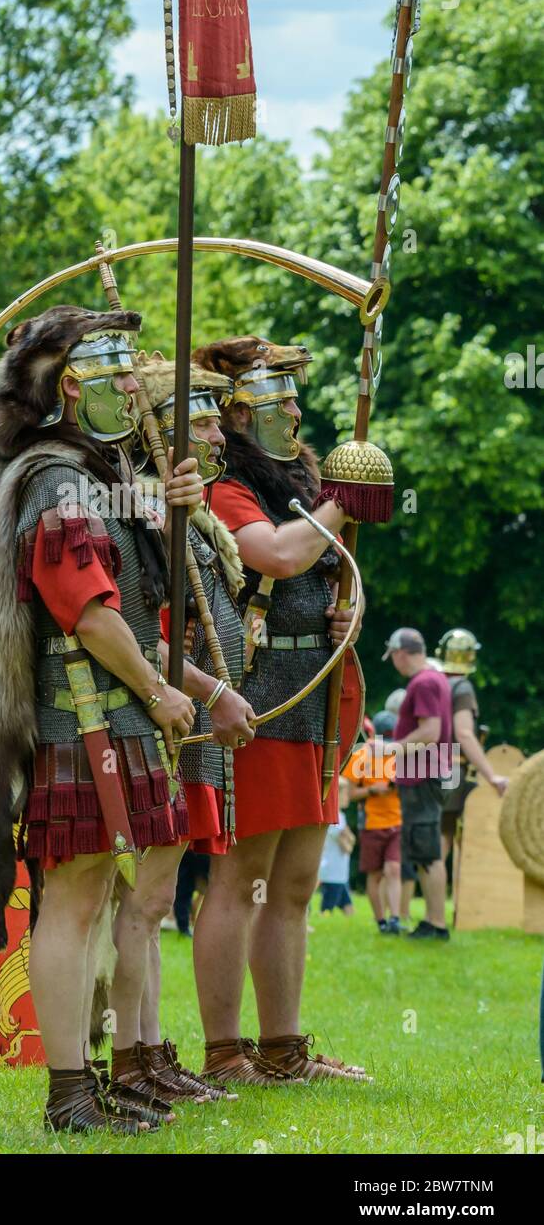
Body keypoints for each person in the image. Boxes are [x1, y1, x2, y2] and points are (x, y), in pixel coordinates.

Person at [0, 307, 201, 1134]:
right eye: (122, 376)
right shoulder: (56, 480)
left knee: (97, 901)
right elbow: (85, 608)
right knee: (74, 904)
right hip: (73, 713)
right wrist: (158, 693)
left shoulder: (97, 473)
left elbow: (151, 589)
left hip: (107, 714)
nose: (137, 390)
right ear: (73, 387)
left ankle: (98, 1079)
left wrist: (171, 501)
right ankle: (68, 1093)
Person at [189, 335, 368, 1084]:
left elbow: (332, 572)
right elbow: (279, 555)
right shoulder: (225, 484)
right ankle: (226, 1053)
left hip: (312, 696)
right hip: (256, 696)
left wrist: (349, 612)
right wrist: (343, 494)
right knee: (239, 879)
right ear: (238, 413)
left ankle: (283, 1048)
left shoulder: (297, 481)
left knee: (293, 883)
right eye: (280, 399)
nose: (297, 409)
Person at [103, 355, 253, 1108]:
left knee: (154, 901)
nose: (214, 430)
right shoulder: (134, 508)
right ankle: (130, 1059)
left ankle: (151, 1049)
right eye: (196, 418)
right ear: (158, 426)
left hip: (186, 719)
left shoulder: (179, 511)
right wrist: (212, 690)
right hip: (160, 714)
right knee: (144, 897)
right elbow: (138, 631)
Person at [382, 627, 454, 941]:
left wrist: (390, 749)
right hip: (428, 773)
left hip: (423, 774)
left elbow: (430, 732)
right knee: (425, 850)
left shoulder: (423, 682)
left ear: (400, 653)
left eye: (393, 657)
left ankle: (436, 924)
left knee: (428, 851)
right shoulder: (436, 678)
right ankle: (431, 921)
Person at [435, 628, 509, 863]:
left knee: (435, 836)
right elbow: (465, 734)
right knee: (449, 838)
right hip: (453, 770)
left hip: (426, 769)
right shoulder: (462, 688)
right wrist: (491, 776)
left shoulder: (431, 683)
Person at [344, 709, 401, 934]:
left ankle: (395, 919)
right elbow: (348, 795)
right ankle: (381, 922)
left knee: (394, 868)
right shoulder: (362, 756)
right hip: (371, 823)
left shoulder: (400, 754)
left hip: (398, 821)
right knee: (375, 874)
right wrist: (372, 791)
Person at [318, 789, 354, 917]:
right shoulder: (333, 817)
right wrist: (348, 841)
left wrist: (348, 838)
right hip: (332, 870)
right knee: (327, 908)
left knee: (348, 907)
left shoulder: (342, 816)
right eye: (345, 794)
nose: (348, 797)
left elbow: (350, 838)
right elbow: (345, 842)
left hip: (341, 871)